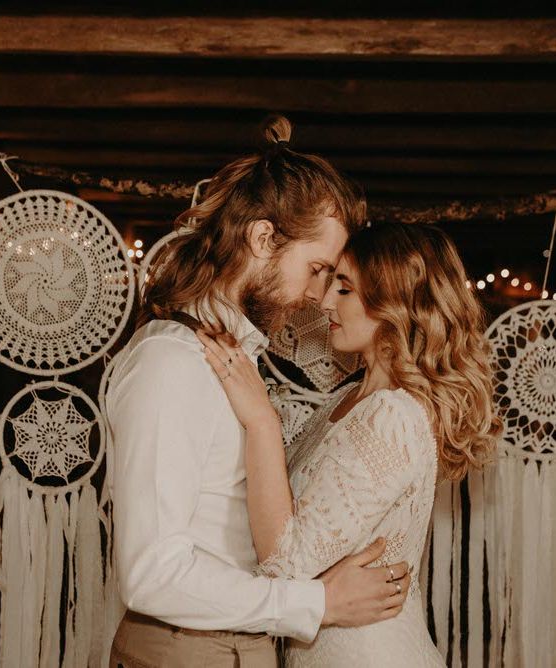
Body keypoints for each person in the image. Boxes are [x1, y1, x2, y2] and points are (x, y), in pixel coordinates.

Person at [105, 117, 412, 668]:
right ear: (264, 238)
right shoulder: (171, 364)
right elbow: (152, 574)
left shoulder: (228, 357)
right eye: (317, 269)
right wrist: (316, 602)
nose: (319, 297)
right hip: (185, 651)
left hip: (231, 645)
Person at [197, 221, 502, 666]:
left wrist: (261, 420)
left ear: (394, 304)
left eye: (344, 289)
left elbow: (288, 565)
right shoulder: (350, 396)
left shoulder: (393, 415)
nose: (323, 302)